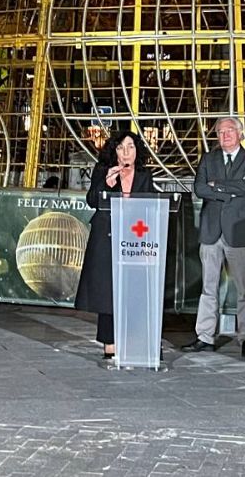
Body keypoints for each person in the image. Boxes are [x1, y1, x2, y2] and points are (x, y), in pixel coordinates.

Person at [182, 116, 245, 358]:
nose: (224, 135)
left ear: (240, 134)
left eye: (229, 131)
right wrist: (231, 190)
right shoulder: (209, 158)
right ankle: (204, 336)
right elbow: (199, 188)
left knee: (244, 288)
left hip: (239, 232)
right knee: (208, 288)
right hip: (211, 232)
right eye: (220, 132)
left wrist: (217, 186)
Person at [73, 129, 157, 360]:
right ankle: (109, 341)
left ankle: (134, 338)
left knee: (132, 289)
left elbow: (151, 204)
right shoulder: (102, 171)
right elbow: (92, 200)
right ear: (114, 152)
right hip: (107, 236)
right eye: (121, 148)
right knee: (108, 290)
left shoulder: (144, 175)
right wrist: (108, 184)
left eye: (130, 147)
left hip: (134, 238)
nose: (126, 152)